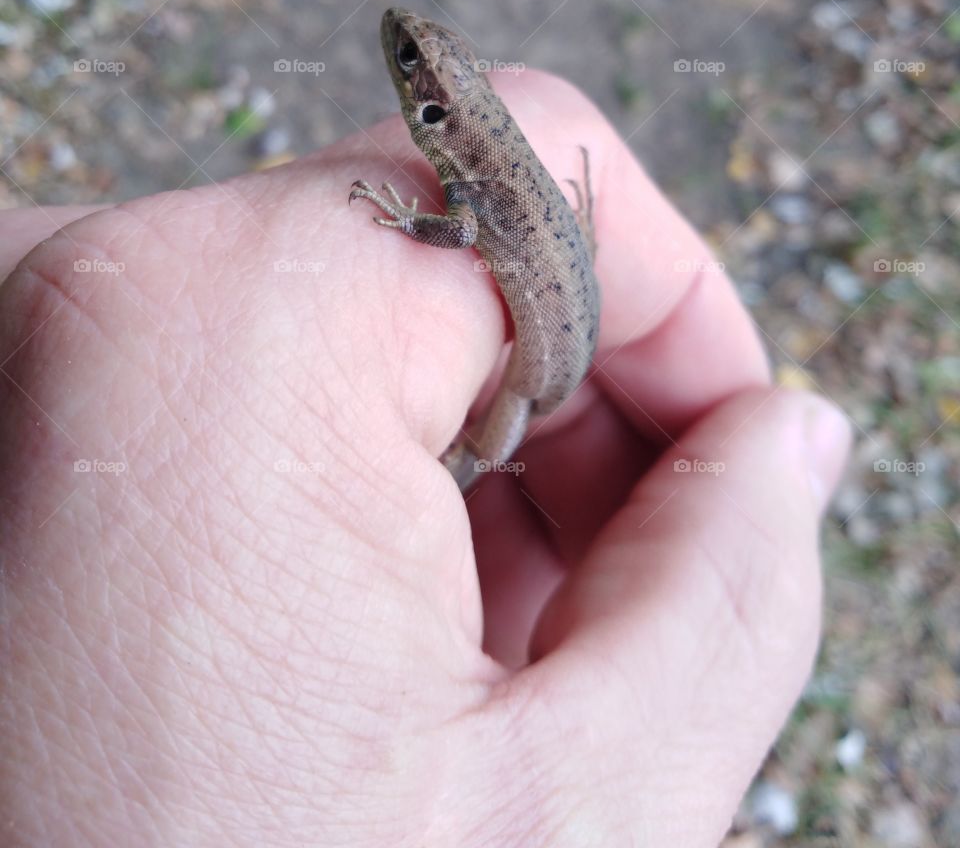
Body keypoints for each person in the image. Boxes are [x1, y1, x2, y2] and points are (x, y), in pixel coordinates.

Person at [0, 70, 849, 846]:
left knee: (495, 433)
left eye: (418, 72)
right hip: (573, 312)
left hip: (542, 372)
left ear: (435, 113)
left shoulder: (471, 188)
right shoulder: (481, 157)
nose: (405, 66)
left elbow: (465, 228)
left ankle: (464, 473)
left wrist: (410, 222)